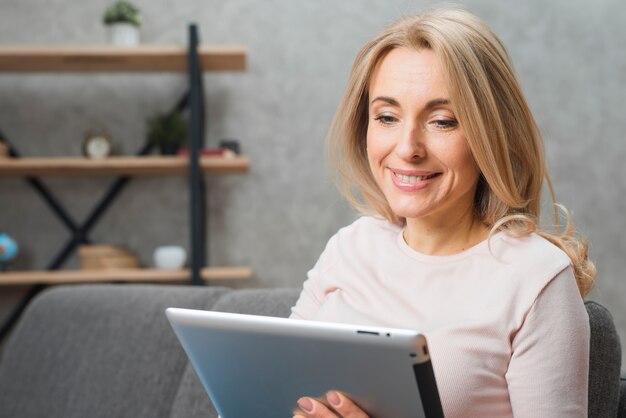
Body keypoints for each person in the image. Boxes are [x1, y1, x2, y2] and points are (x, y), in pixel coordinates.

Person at [289, 7, 595, 418]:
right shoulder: (349, 247)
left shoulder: (537, 280)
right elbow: (276, 390)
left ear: (491, 133)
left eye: (443, 121)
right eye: (387, 117)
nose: (407, 147)